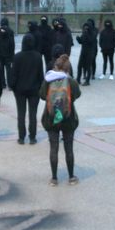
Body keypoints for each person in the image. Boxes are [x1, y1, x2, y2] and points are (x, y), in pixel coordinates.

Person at [41, 55, 81, 186]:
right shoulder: (70, 81)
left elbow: (41, 95)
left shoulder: (48, 80)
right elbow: (77, 95)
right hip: (68, 118)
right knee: (69, 148)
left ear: (56, 67)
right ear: (67, 69)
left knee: (54, 147)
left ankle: (54, 178)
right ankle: (71, 177)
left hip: (51, 117)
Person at [12, 34, 45, 144]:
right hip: (34, 89)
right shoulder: (38, 56)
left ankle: (21, 137)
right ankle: (32, 137)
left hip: (20, 90)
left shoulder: (17, 57)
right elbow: (41, 75)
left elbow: (13, 75)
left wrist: (13, 87)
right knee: (33, 114)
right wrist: (41, 87)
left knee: (21, 114)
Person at [0, 17, 16, 88]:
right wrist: (12, 55)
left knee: (1, 70)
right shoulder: (11, 31)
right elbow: (12, 44)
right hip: (9, 54)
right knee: (9, 70)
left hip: (0, 54)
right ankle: (10, 84)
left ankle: (2, 84)